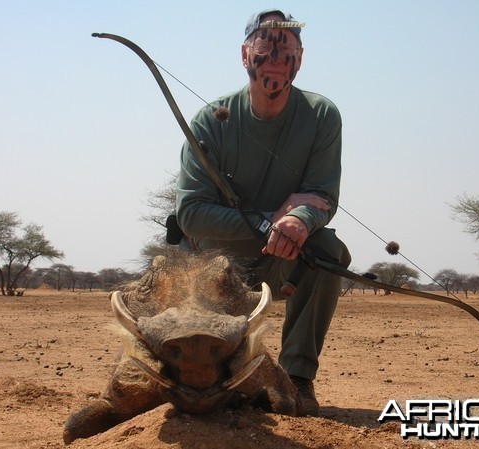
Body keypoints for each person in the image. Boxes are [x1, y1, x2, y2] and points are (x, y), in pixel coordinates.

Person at [176, 9, 351, 416]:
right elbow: (191, 213)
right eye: (264, 43)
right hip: (215, 267)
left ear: (300, 58)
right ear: (245, 54)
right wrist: (272, 219)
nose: (274, 52)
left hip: (284, 257)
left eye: (285, 45)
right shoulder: (209, 121)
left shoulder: (323, 115)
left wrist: (299, 221)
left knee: (330, 250)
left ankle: (296, 380)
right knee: (199, 390)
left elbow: (322, 196)